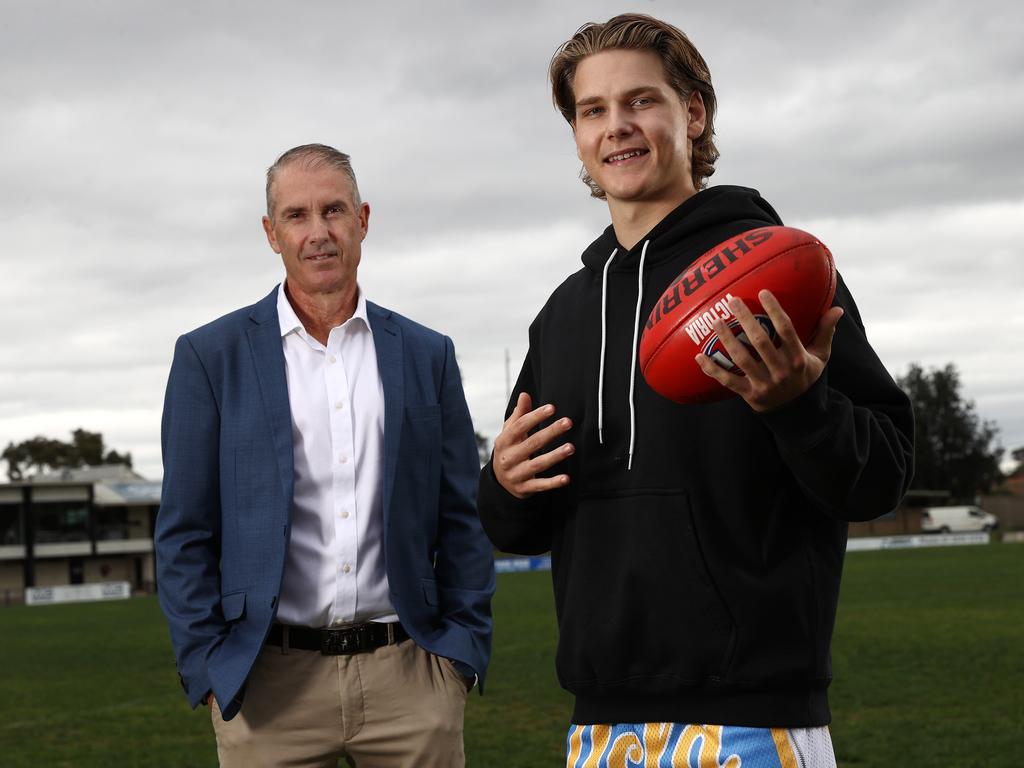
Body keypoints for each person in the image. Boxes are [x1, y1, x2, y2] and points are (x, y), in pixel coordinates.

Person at [477, 14, 914, 767]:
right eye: (593, 111)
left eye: (640, 101)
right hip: (600, 729)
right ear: (578, 134)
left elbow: (881, 478)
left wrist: (799, 409)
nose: (617, 128)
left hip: (753, 720)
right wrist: (505, 483)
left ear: (695, 111)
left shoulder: (782, 275)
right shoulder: (563, 315)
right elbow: (513, 527)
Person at [156, 144, 495, 767]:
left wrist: (462, 652)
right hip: (266, 685)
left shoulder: (427, 354)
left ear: (363, 219)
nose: (319, 233)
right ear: (271, 232)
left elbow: (462, 515)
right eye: (297, 215)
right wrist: (207, 666)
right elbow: (183, 531)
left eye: (334, 210)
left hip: (411, 676)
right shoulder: (210, 357)